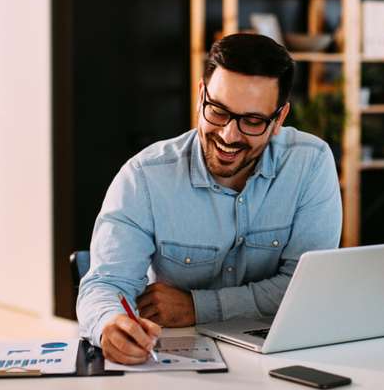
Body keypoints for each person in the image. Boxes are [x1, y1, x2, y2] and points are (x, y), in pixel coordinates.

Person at [77, 33, 342, 365]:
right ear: (201, 95)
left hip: (278, 356)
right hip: (176, 362)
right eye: (217, 111)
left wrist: (196, 306)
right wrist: (109, 324)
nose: (229, 135)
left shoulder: (310, 163)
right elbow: (104, 284)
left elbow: (304, 287)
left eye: (253, 121)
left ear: (279, 119)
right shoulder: (144, 177)